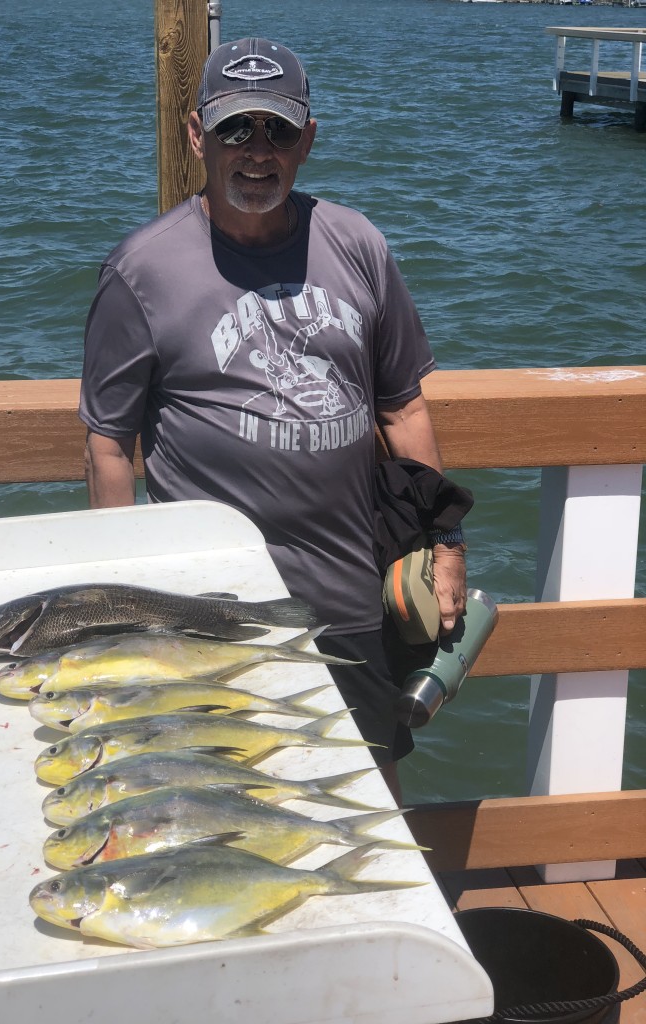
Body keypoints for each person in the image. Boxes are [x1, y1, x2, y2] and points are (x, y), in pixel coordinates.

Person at [79, 37, 467, 803]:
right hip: (208, 608)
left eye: (277, 130)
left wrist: (443, 542)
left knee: (365, 809)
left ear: (308, 140)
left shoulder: (358, 244)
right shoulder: (142, 271)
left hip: (353, 594)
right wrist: (127, 598)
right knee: (220, 805)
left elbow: (404, 407)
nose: (256, 151)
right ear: (197, 136)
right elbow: (109, 444)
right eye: (234, 129)